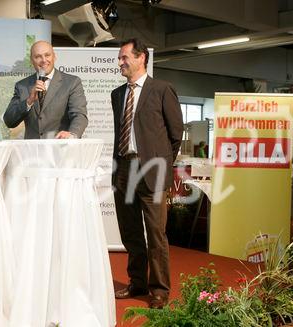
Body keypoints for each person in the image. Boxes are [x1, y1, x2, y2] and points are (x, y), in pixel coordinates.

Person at [111, 38, 183, 309]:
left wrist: (160, 163)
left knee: (155, 234)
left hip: (152, 170)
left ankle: (160, 290)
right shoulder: (117, 94)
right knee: (130, 232)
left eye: (124, 57)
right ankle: (137, 281)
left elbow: (176, 134)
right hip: (124, 170)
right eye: (120, 58)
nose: (120, 62)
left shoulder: (162, 89)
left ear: (141, 58)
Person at [3, 40, 88, 139]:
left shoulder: (72, 82)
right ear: (31, 61)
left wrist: (72, 134)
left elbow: (79, 115)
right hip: (32, 151)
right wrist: (29, 101)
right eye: (38, 57)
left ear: (54, 56)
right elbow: (9, 121)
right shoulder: (22, 85)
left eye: (47, 55)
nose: (43, 60)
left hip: (61, 149)